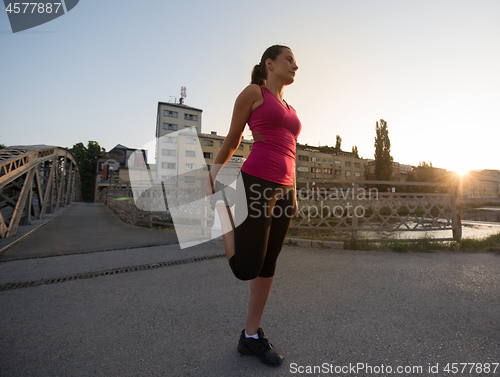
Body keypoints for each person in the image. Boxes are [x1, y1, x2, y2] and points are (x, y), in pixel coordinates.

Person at [205, 44, 301, 367]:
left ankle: (250, 336)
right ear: (269, 64)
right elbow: (233, 138)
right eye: (289, 59)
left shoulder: (290, 108)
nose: (295, 66)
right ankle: (224, 210)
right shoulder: (254, 93)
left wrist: (295, 192)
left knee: (268, 265)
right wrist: (213, 174)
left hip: (284, 191)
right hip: (257, 182)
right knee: (246, 268)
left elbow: (292, 151)